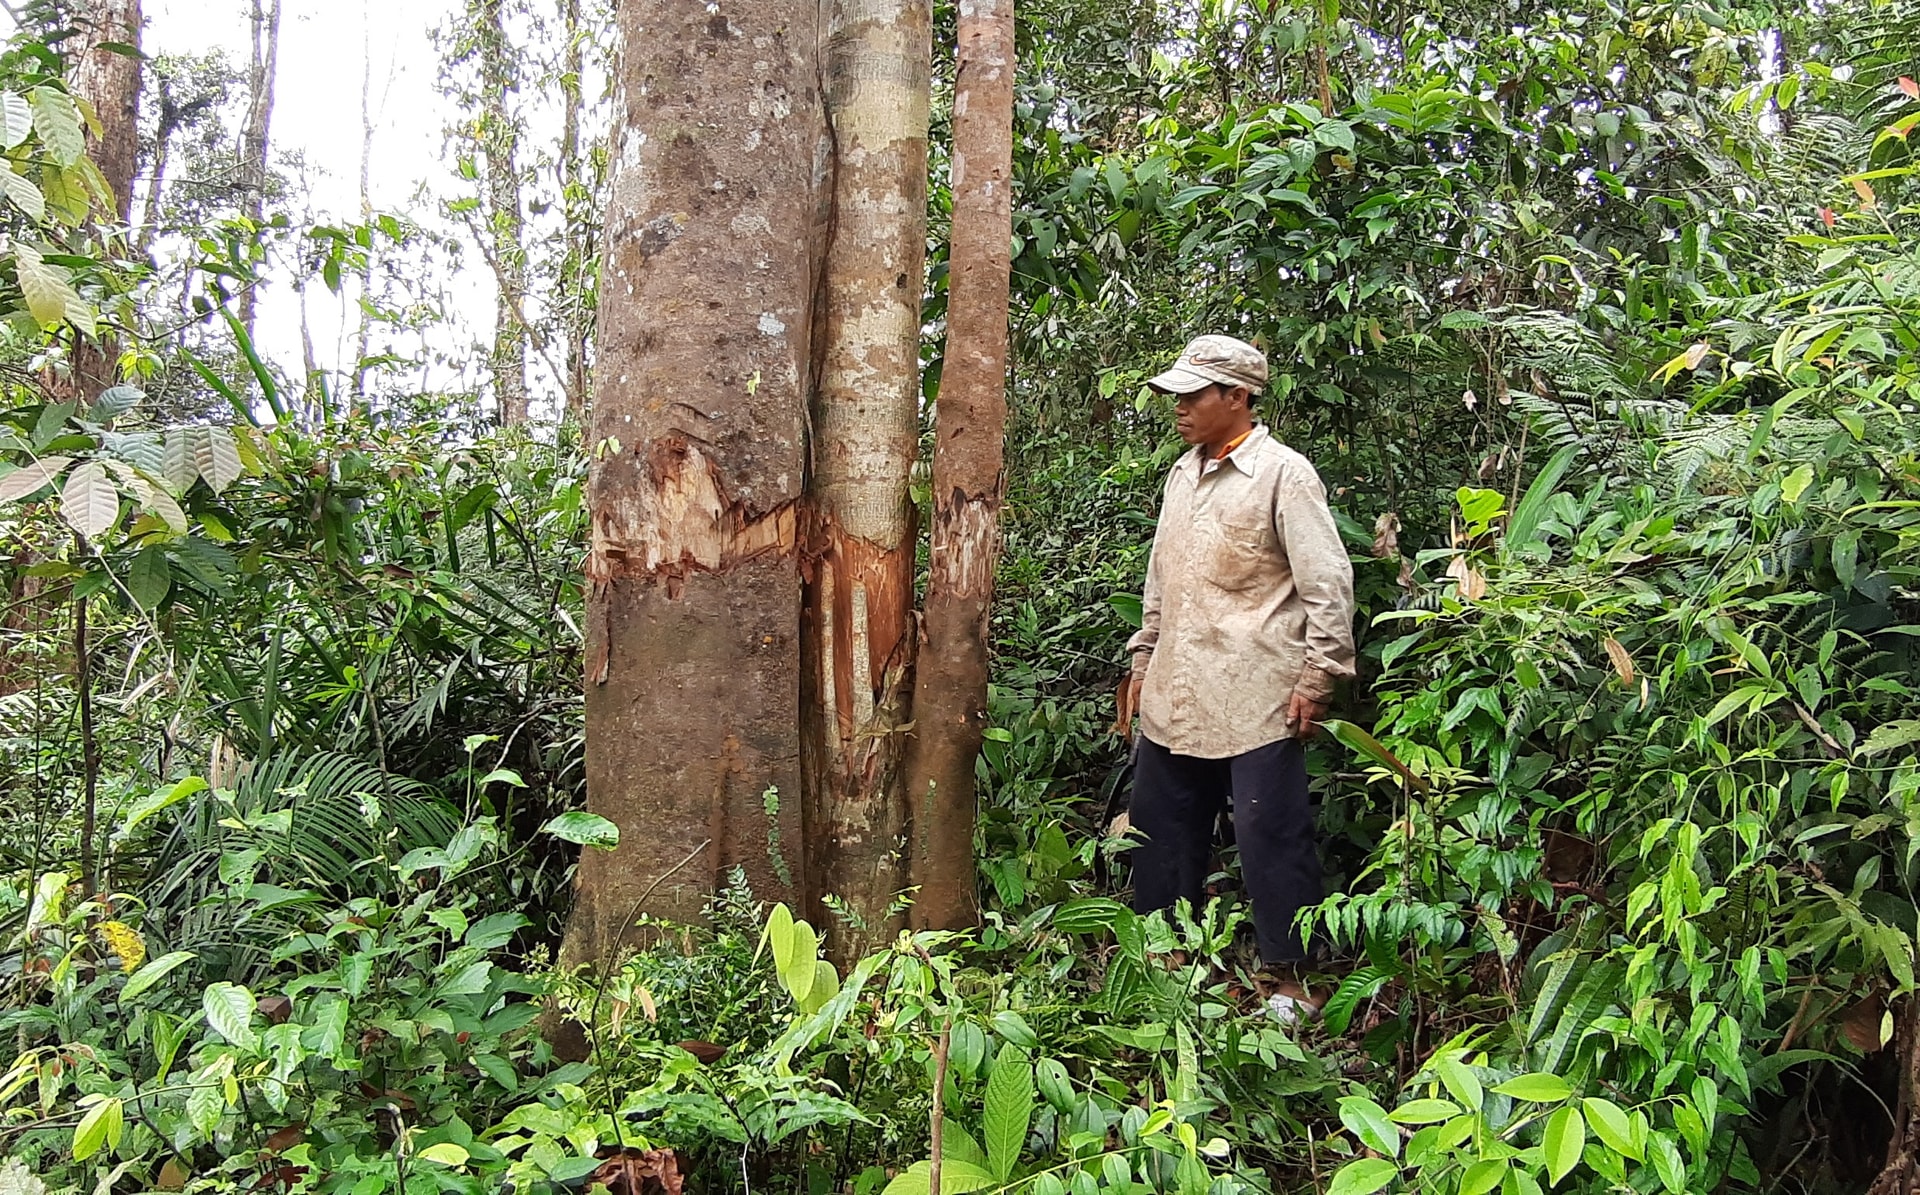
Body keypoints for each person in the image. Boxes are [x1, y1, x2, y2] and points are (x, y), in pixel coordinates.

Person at [1118, 333, 1356, 1019]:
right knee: (1161, 832)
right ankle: (1169, 960)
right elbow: (1160, 582)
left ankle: (1293, 979)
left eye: (1193, 395)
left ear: (1237, 397)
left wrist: (1319, 676)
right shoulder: (1182, 475)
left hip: (1258, 695)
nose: (1179, 408)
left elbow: (1327, 582)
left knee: (1269, 835)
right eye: (1177, 396)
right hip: (1176, 693)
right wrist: (1143, 659)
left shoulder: (1285, 474)